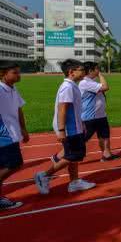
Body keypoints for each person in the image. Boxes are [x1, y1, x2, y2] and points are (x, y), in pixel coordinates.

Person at [35, 59, 96, 194]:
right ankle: (44, 175)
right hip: (70, 128)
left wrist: (82, 123)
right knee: (73, 155)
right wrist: (62, 130)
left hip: (74, 126)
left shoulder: (72, 85)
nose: (84, 72)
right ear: (71, 72)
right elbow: (62, 109)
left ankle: (74, 182)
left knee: (73, 157)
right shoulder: (67, 87)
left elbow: (74, 109)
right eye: (81, 69)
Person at [0, 62, 29, 210]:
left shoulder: (13, 89)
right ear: (3, 74)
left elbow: (19, 109)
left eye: (19, 72)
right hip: (4, 136)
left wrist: (23, 129)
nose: (19, 75)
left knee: (5, 166)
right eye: (15, 73)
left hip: (12, 133)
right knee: (14, 163)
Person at [77, 62, 119, 162]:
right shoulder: (85, 83)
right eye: (96, 69)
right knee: (83, 138)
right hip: (90, 117)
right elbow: (105, 87)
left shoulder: (91, 81)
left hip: (100, 115)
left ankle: (106, 154)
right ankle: (63, 155)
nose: (98, 71)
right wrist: (101, 75)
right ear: (90, 71)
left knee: (104, 135)